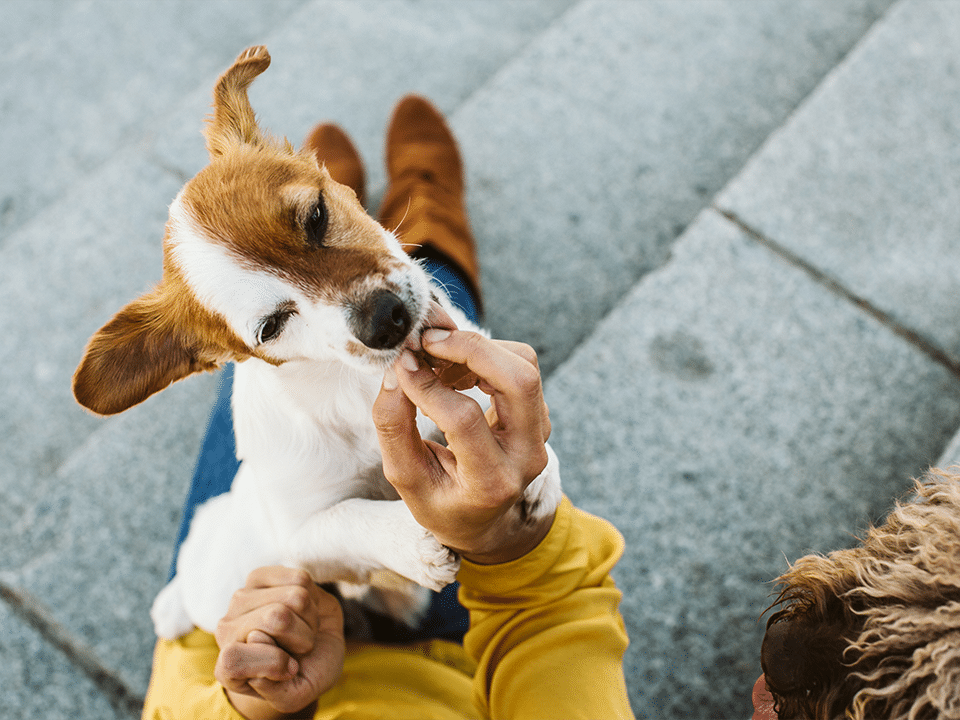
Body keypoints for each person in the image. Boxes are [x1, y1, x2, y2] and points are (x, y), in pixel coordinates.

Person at [142, 96, 634, 719]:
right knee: (431, 290)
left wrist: (252, 707)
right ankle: (426, 204)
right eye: (274, 322)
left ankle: (327, 230)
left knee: (286, 291)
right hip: (455, 651)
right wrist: (523, 517)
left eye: (315, 217)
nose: (360, 303)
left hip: (243, 663)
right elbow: (558, 611)